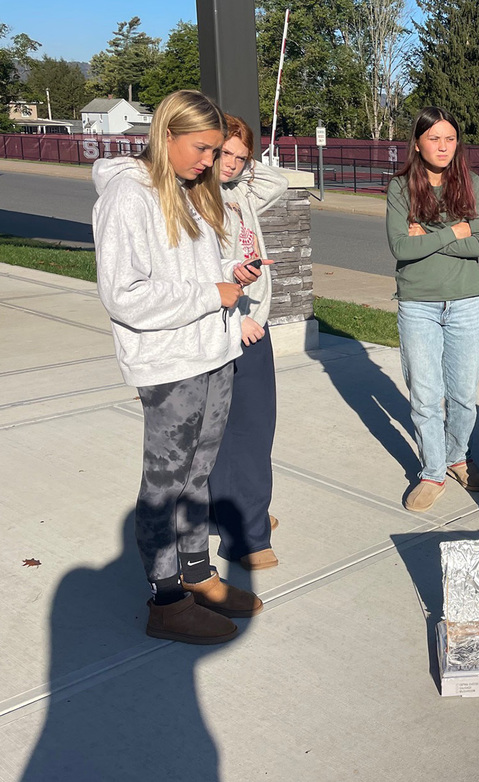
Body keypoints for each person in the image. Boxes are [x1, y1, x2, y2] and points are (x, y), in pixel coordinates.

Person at [92, 90, 264, 644]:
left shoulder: (192, 191)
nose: (210, 161)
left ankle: (197, 574)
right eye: (202, 148)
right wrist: (209, 294)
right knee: (165, 484)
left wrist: (230, 279)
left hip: (213, 352)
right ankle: (166, 600)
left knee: (198, 475)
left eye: (215, 151)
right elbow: (124, 294)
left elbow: (195, 272)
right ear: (166, 135)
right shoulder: (127, 195)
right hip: (168, 362)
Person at [385, 106, 479, 512]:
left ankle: (457, 457)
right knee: (426, 395)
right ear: (417, 143)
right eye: (434, 138)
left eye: (450, 139)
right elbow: (401, 247)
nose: (443, 146)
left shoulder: (472, 186)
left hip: (464, 302)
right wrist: (452, 231)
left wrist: (426, 233)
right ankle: (432, 471)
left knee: (464, 395)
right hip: (418, 305)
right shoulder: (401, 189)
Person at [208, 115, 289, 571]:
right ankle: (247, 537)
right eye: (226, 153)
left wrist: (245, 155)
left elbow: (274, 182)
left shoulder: (238, 192)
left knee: (246, 430)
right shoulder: (198, 197)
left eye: (242, 157)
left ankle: (238, 516)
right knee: (243, 433)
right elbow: (202, 266)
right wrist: (237, 317)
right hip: (233, 325)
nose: (235, 164)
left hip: (252, 321)